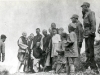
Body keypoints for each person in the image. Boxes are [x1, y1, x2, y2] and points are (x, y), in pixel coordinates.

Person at [81, 2, 99, 73]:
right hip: (86, 34)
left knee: (90, 51)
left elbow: (93, 23)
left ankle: (94, 67)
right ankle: (89, 66)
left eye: (83, 7)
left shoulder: (91, 13)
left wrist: (91, 32)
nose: (82, 8)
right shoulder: (85, 14)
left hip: (89, 34)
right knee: (87, 50)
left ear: (87, 6)